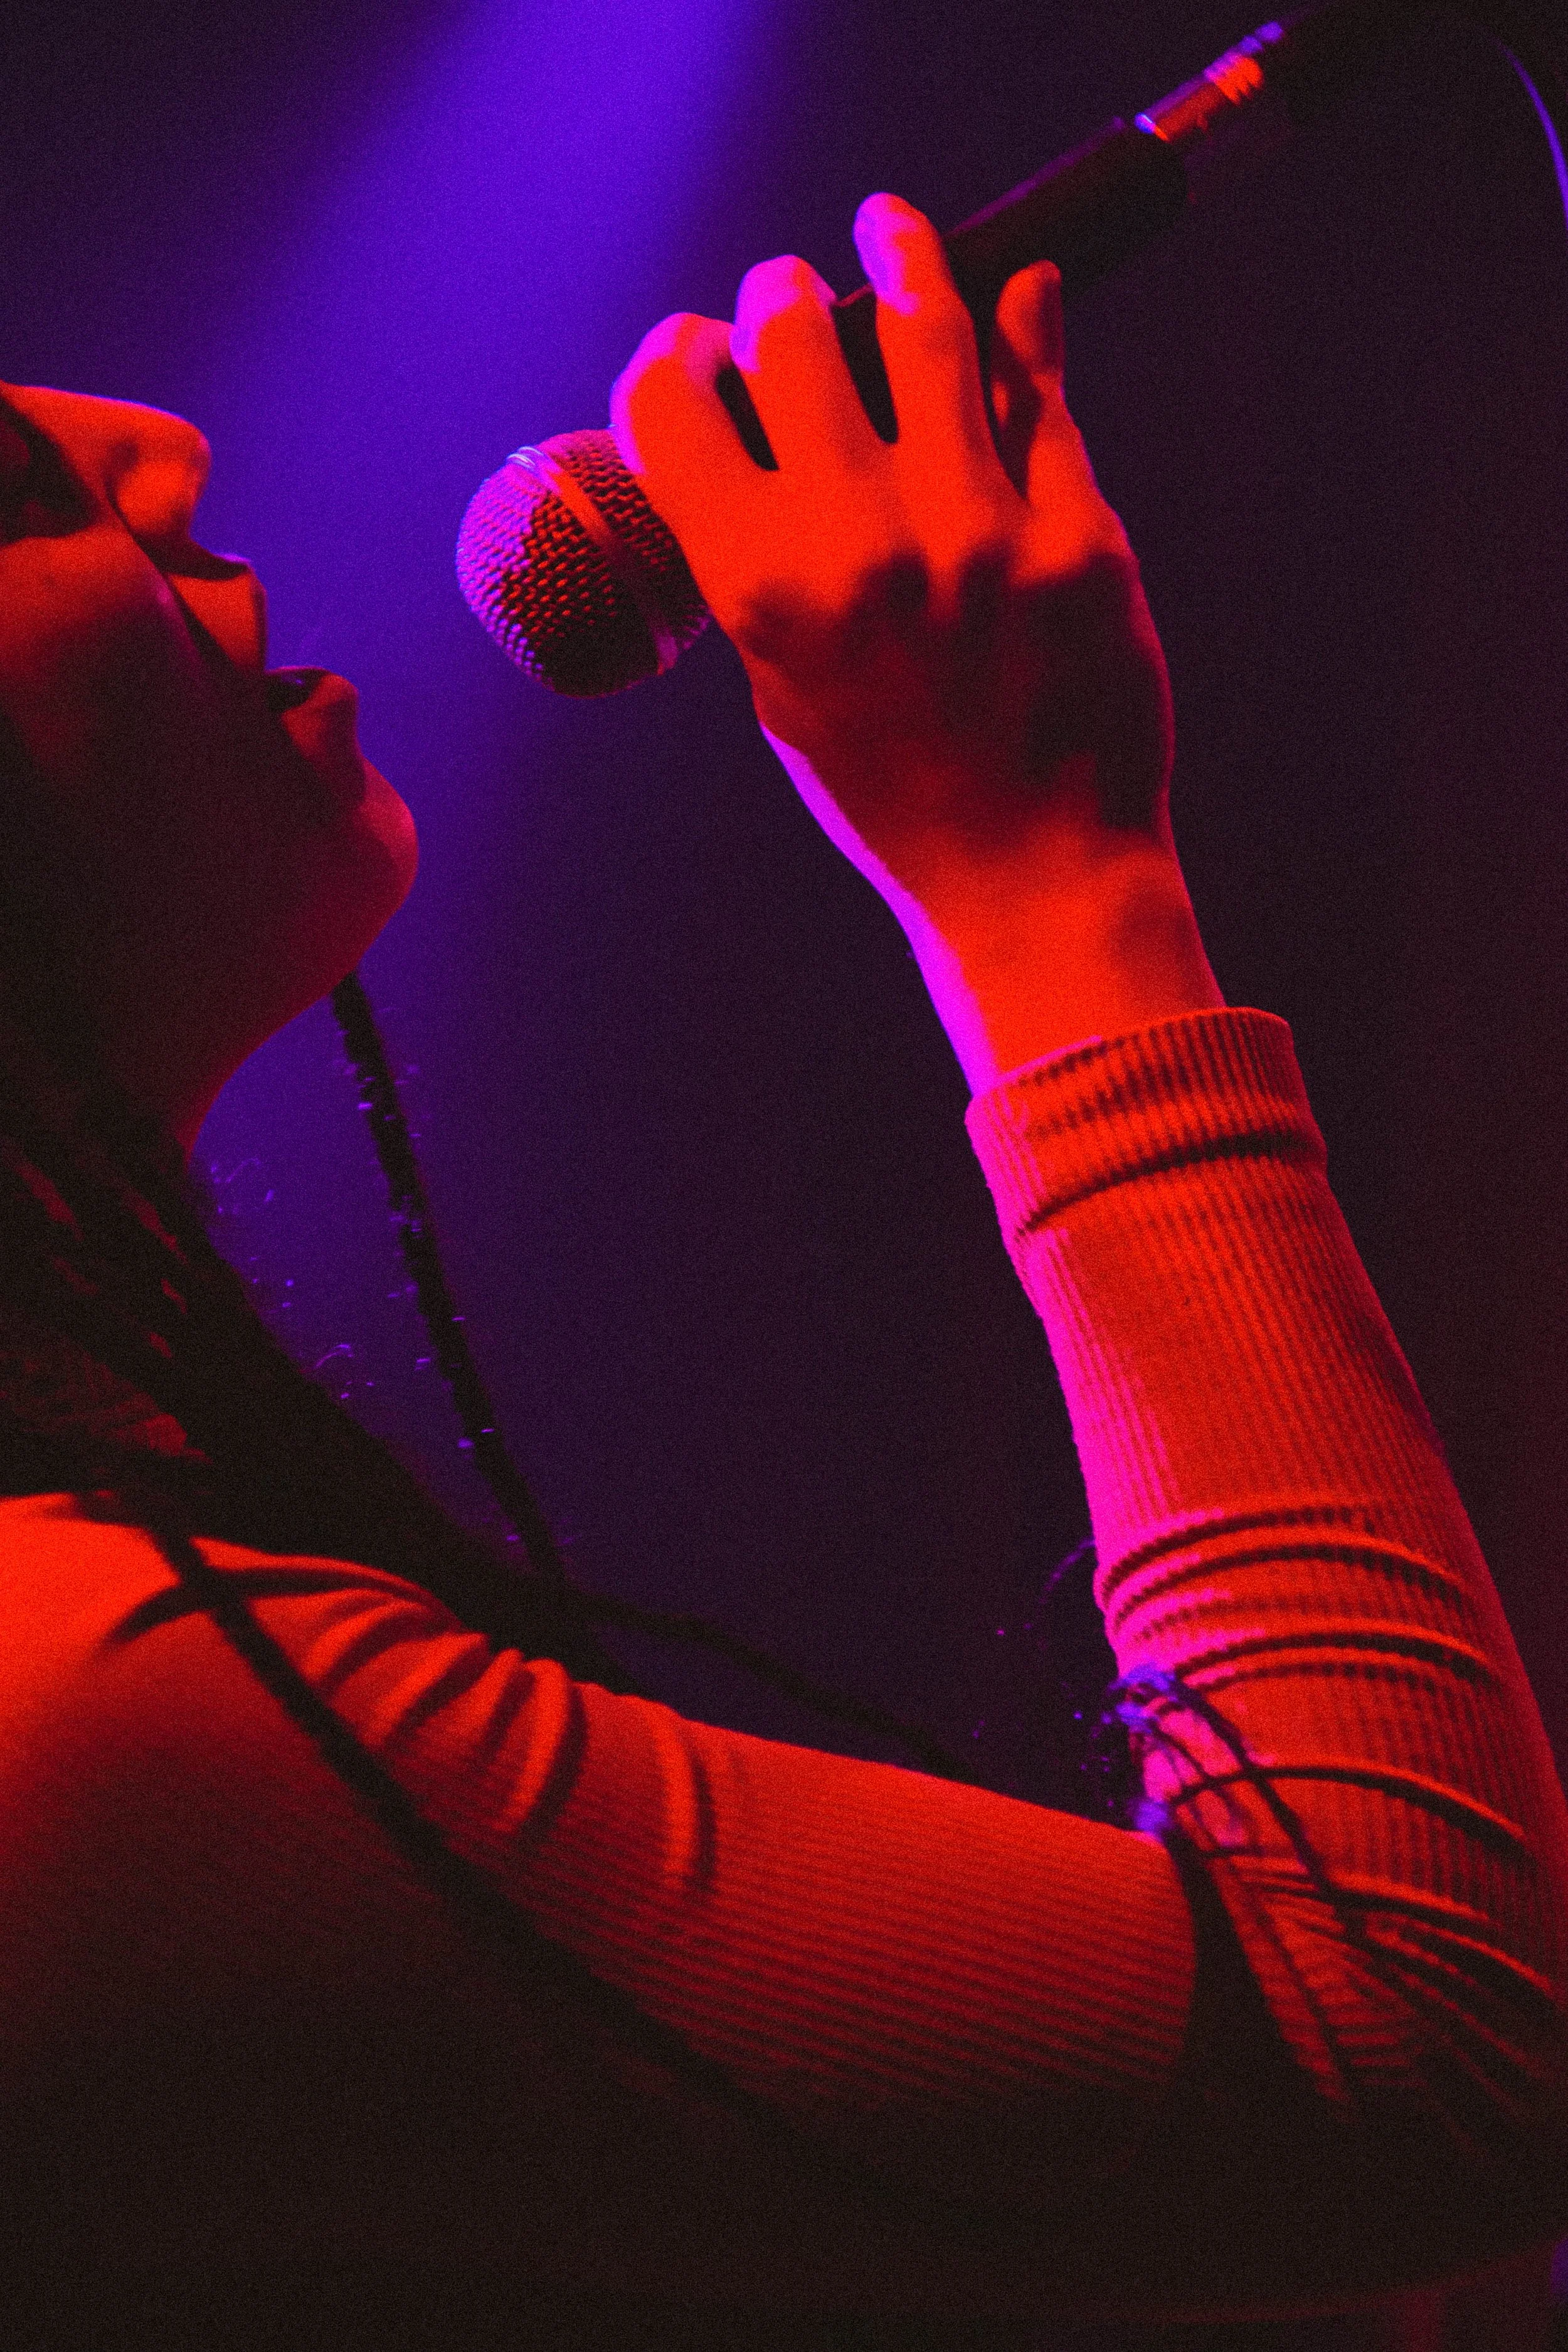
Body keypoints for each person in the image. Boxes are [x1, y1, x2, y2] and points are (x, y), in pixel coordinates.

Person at [1, 193, 1565, 2352]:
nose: (152, 441)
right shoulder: (73, 1725)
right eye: (8, 484)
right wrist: (1052, 881)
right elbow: (1415, 2050)